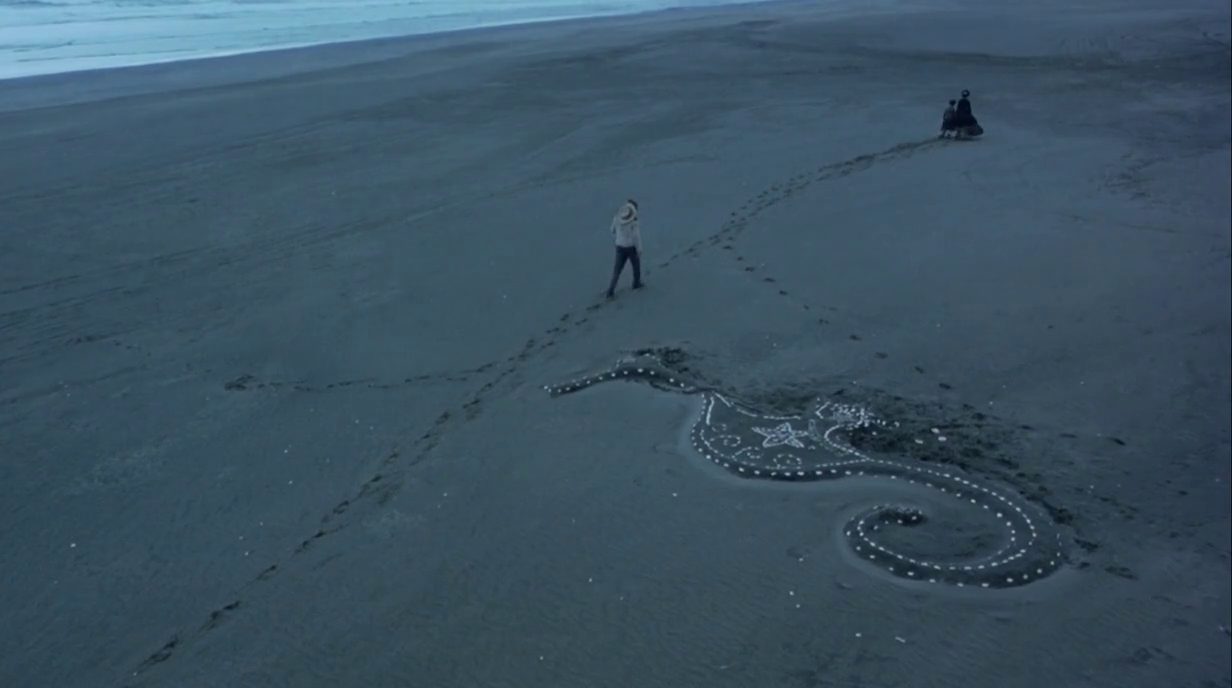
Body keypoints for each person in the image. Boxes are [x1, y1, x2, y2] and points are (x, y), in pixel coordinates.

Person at [606, 199, 643, 298]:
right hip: (631, 247)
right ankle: (636, 284)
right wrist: (639, 249)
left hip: (619, 246)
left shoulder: (617, 217)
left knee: (617, 270)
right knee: (636, 266)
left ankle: (610, 290)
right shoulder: (634, 221)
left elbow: (612, 230)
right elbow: (636, 237)